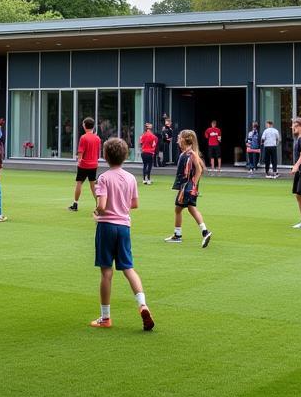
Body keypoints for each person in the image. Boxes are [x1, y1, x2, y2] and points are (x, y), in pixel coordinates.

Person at [88, 136, 154, 331]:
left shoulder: (103, 178)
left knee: (106, 272)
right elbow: (134, 204)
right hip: (124, 227)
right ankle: (142, 304)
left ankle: (105, 317)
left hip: (107, 226)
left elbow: (102, 205)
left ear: (105, 156)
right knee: (128, 268)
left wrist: (96, 212)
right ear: (125, 156)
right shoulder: (131, 178)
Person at [165, 129, 212, 248]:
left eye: (179, 138)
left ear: (185, 140)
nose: (177, 141)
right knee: (189, 209)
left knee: (179, 209)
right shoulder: (187, 153)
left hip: (187, 188)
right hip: (187, 187)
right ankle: (204, 232)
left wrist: (193, 186)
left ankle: (178, 235)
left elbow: (199, 170)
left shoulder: (191, 154)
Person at [69, 117, 101, 212]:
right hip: (93, 164)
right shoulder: (97, 138)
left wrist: (79, 161)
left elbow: (80, 151)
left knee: (79, 183)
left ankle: (75, 204)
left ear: (84, 125)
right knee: (93, 185)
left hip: (84, 164)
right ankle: (98, 204)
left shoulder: (83, 137)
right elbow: (98, 153)